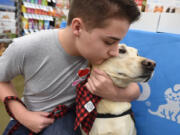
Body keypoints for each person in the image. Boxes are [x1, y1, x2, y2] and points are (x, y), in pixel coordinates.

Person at [0, 0, 141, 134]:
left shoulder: (104, 54)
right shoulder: (26, 47)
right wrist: (22, 114)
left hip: (68, 115)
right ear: (78, 27)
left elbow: (135, 90)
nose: (115, 52)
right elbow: (1, 79)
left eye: (118, 42)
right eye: (109, 41)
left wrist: (112, 92)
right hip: (30, 112)